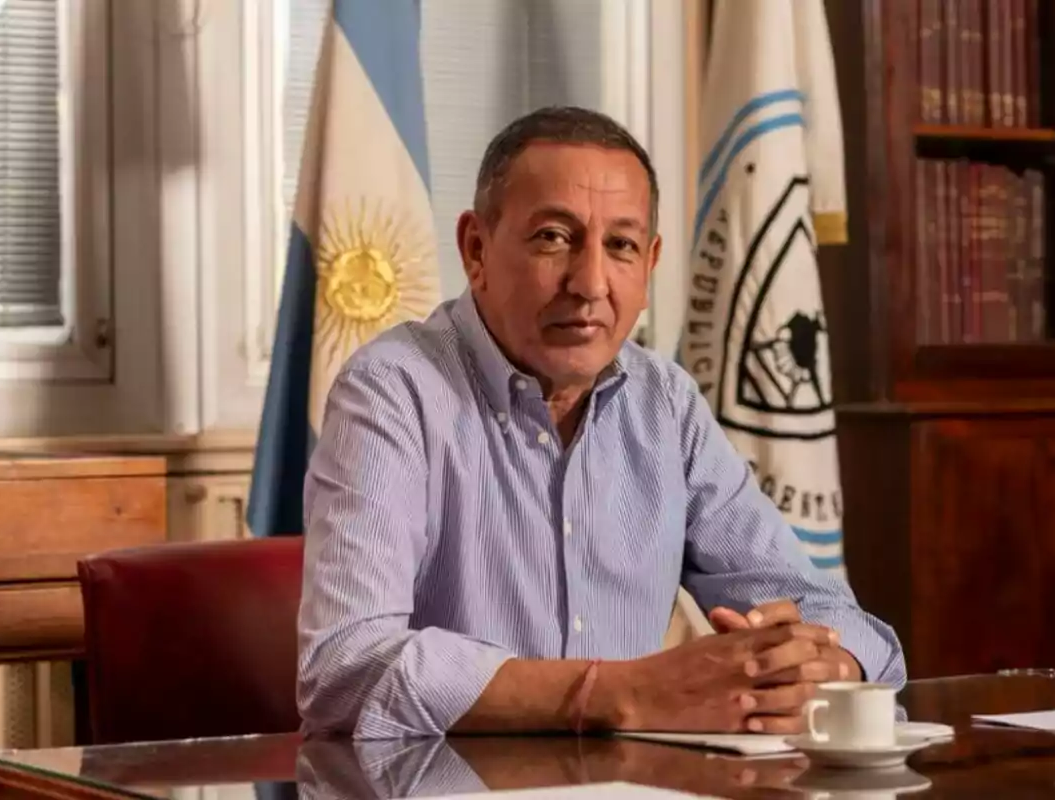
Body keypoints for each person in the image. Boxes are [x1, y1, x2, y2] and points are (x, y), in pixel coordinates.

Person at [297, 106, 905, 739]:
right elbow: (345, 668)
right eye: (553, 238)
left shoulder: (664, 402)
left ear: (650, 262)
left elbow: (836, 617)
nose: (589, 284)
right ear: (475, 250)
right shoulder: (391, 391)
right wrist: (617, 692)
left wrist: (821, 665)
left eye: (621, 245)